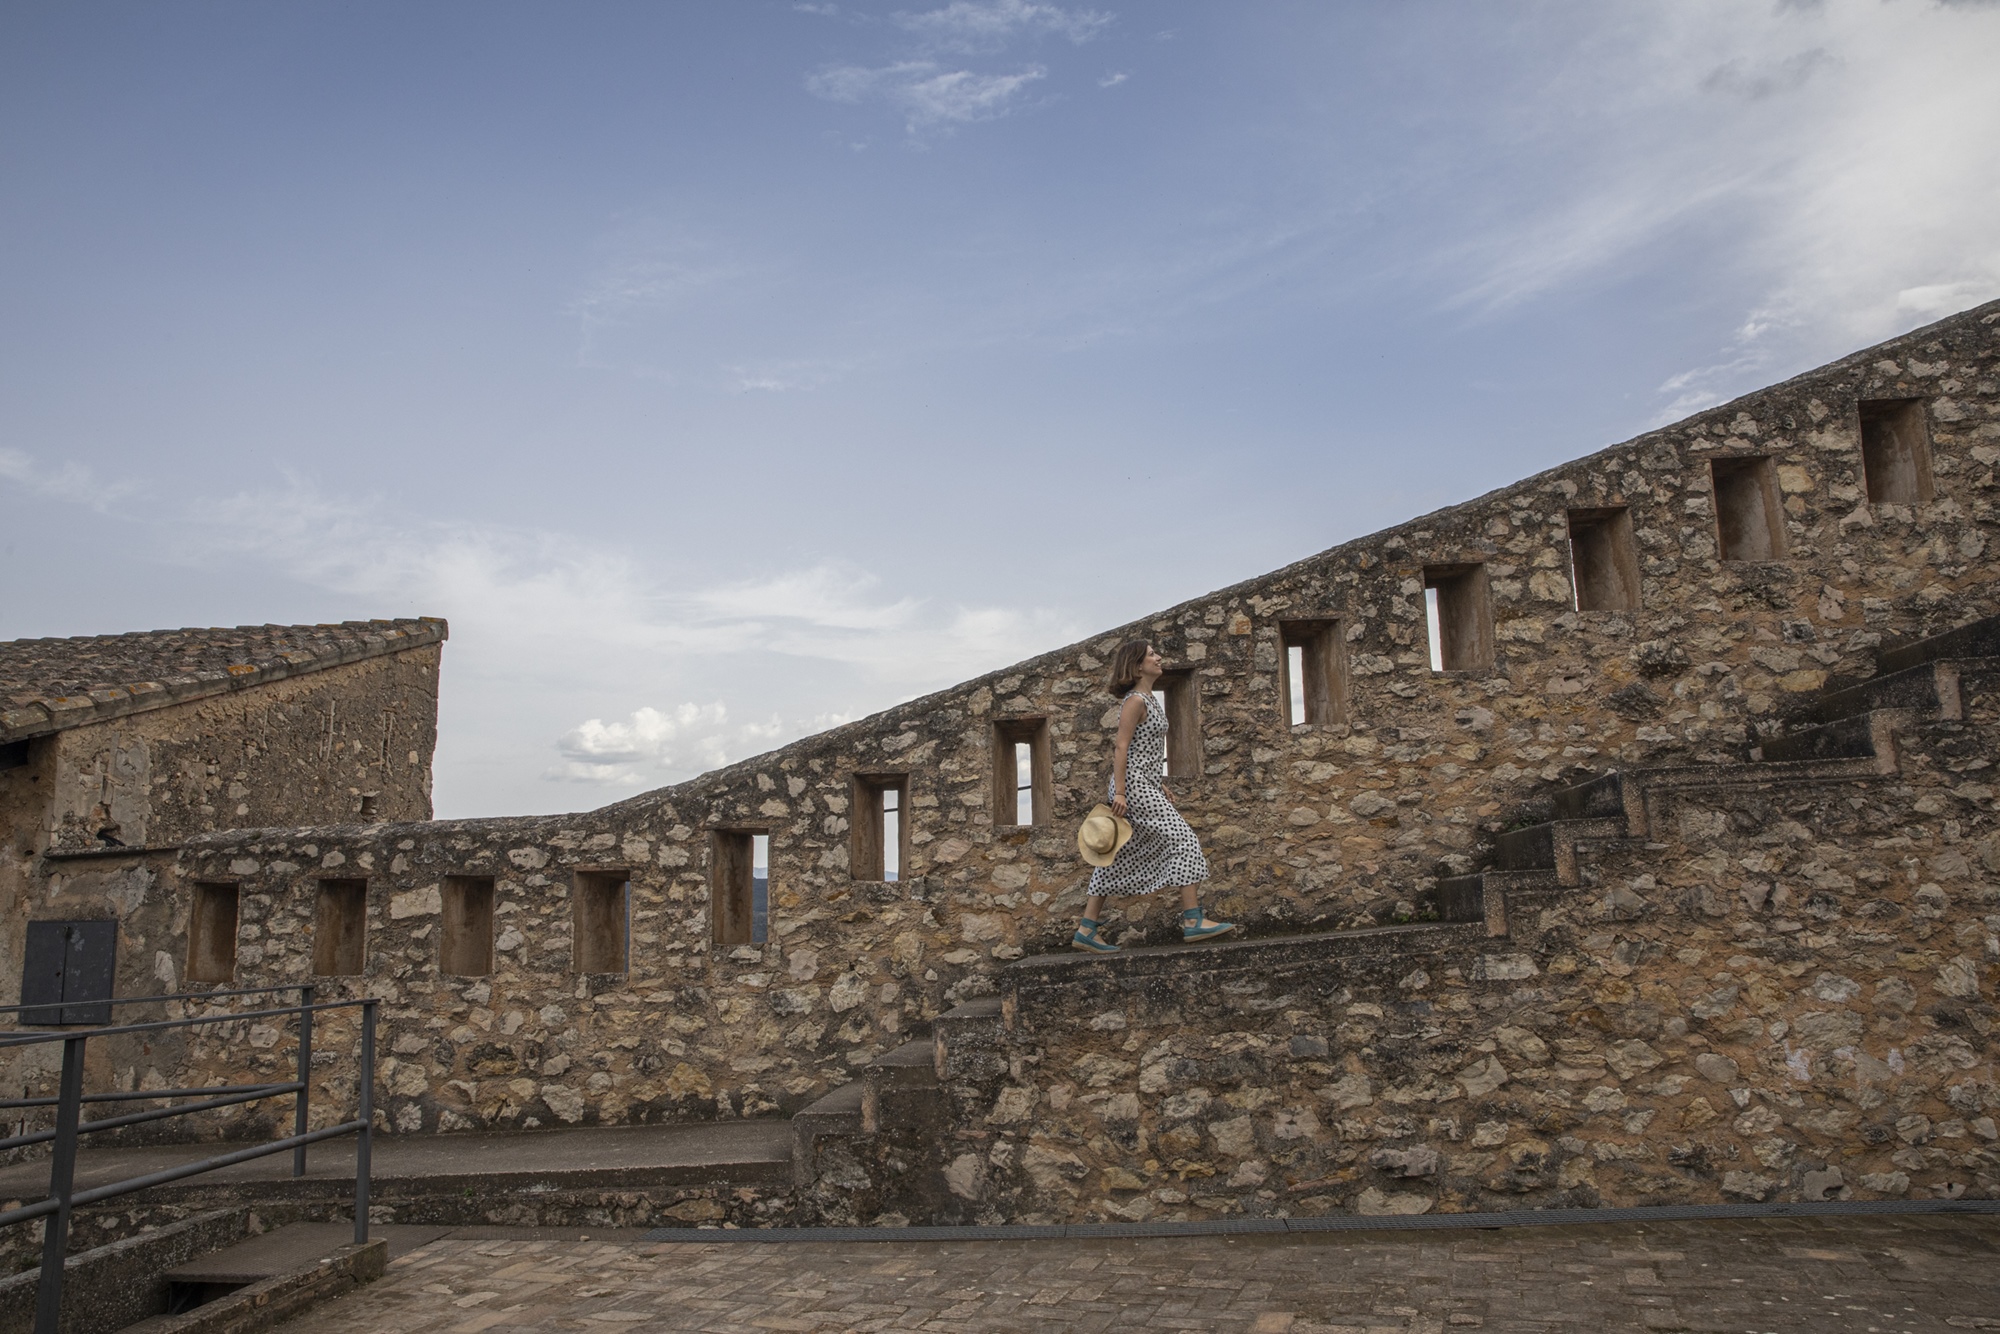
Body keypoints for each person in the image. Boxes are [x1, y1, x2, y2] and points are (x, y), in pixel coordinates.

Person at [1072, 640, 1235, 953]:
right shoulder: (1135, 701)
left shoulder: (1149, 698)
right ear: (1136, 666)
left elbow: (1145, 750)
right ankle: (1193, 921)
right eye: (1151, 655)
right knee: (1184, 839)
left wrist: (1158, 782)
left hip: (1142, 783)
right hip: (1132, 786)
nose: (1159, 657)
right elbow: (1122, 747)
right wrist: (1120, 790)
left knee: (1115, 856)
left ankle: (1086, 929)